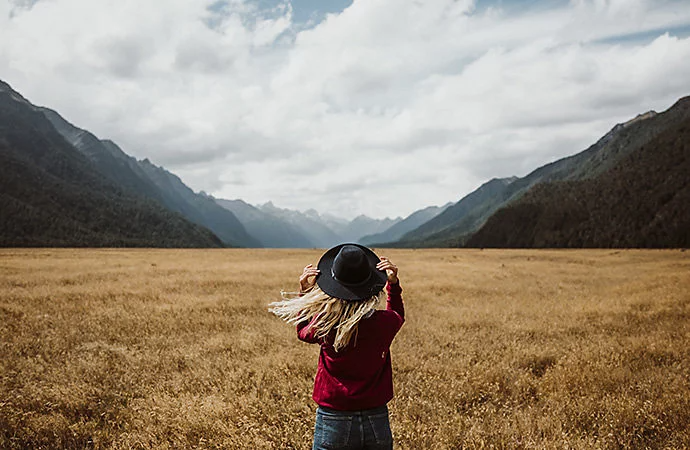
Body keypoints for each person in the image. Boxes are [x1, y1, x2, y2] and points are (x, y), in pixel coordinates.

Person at [269, 243, 405, 450]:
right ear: (372, 284)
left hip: (334, 417)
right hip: (376, 417)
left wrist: (304, 291)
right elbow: (397, 315)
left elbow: (302, 331)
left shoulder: (326, 324)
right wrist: (393, 285)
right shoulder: (383, 323)